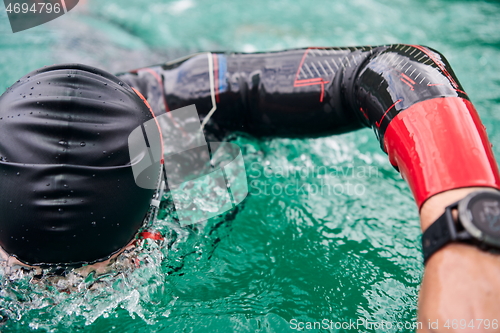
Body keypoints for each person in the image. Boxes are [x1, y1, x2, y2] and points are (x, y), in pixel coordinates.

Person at [0, 44, 499, 332]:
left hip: (150, 71)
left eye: (95, 272)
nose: (69, 291)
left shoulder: (192, 113)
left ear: (145, 240)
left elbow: (397, 68)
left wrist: (463, 236)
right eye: (34, 276)